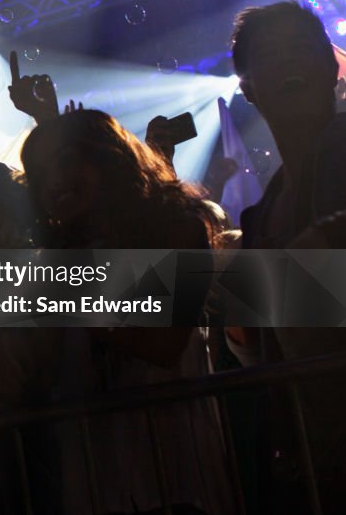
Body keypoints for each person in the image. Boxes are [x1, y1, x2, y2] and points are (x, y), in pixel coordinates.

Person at [20, 107, 235, 515]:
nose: (55, 181)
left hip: (173, 469)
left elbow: (166, 344)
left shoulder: (179, 228)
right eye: (41, 172)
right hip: (97, 472)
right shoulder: (60, 257)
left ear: (108, 158)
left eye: (66, 160)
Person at [229, 1, 346, 512]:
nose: (288, 62)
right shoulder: (263, 216)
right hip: (320, 469)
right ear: (248, 89)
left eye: (300, 49)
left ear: (331, 66)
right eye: (270, 54)